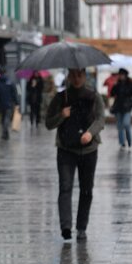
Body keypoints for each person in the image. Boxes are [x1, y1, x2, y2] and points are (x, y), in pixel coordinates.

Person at [45, 68, 105, 242]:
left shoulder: (94, 97)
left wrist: (90, 133)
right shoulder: (60, 98)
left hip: (89, 150)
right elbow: (48, 123)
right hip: (65, 149)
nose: (77, 78)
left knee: (86, 190)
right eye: (73, 74)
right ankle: (65, 227)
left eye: (80, 74)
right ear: (69, 76)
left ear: (85, 76)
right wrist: (61, 115)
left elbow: (100, 120)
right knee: (65, 187)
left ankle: (81, 227)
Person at [110, 68, 132, 149]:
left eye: (122, 75)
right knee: (120, 126)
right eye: (120, 75)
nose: (121, 76)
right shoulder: (117, 84)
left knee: (126, 124)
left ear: (125, 75)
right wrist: (114, 86)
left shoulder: (130, 84)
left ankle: (129, 140)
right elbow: (112, 94)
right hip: (118, 108)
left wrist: (131, 104)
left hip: (127, 108)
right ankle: (122, 142)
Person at [0, 73, 19, 140]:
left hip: (0, 104)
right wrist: (17, 103)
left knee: (3, 118)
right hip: (9, 104)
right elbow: (14, 94)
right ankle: (5, 132)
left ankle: (5, 134)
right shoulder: (10, 84)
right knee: (7, 118)